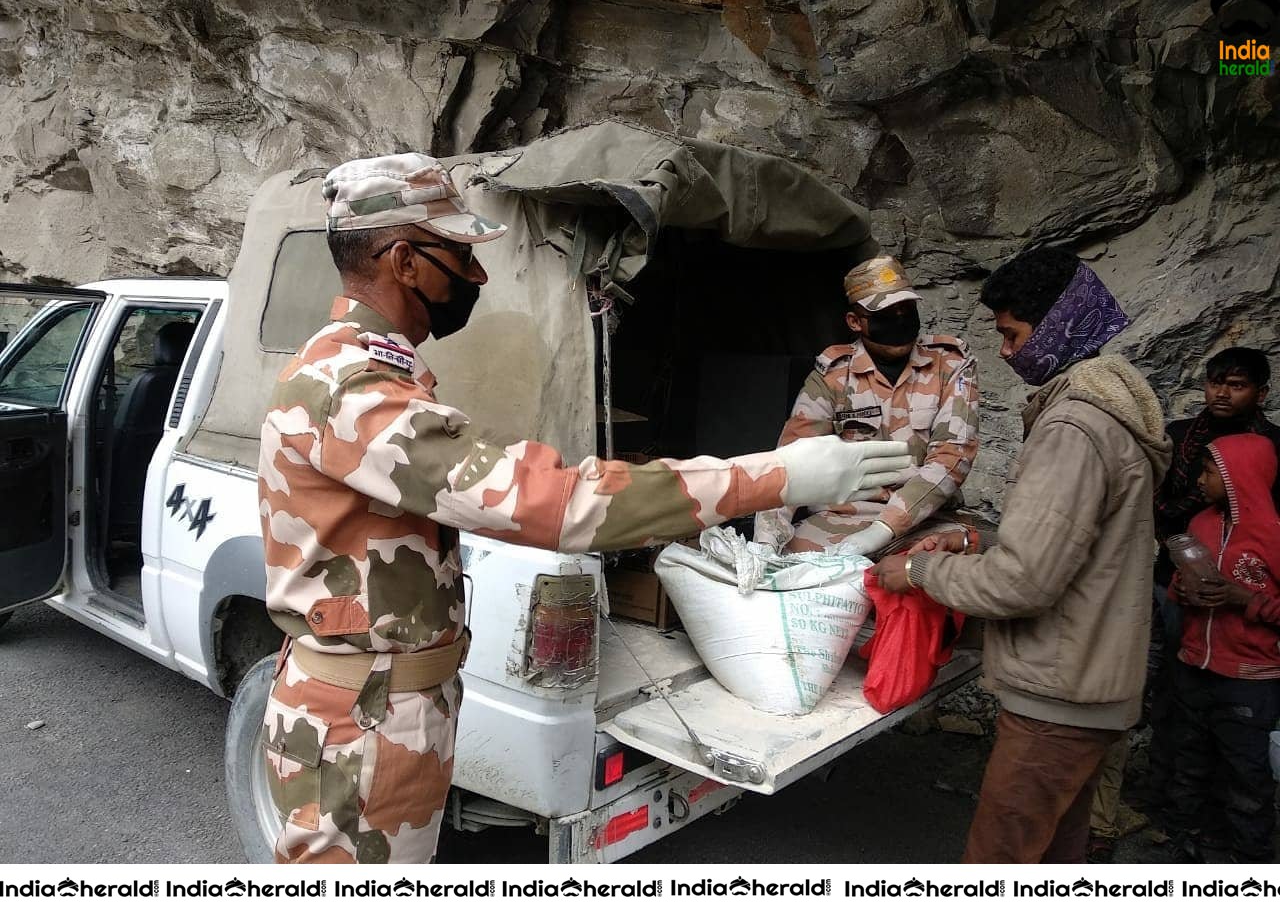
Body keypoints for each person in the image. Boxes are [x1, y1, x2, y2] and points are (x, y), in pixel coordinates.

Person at [256, 152, 914, 864]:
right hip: (362, 725)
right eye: (461, 257)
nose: (477, 278)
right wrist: (777, 476)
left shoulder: (374, 367)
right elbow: (557, 503)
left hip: (389, 710)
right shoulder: (351, 389)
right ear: (404, 261)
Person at [870, 246, 1172, 863]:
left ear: (1060, 320)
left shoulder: (1073, 428)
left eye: (1013, 334)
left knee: (1000, 862)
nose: (1006, 352)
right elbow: (1077, 547)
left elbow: (1025, 582)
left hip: (1057, 696)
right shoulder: (1116, 411)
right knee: (1057, 855)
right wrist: (974, 541)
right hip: (1092, 683)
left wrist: (920, 569)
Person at [753, 255, 979, 559]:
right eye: (885, 312)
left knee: (947, 566)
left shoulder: (950, 365)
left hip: (925, 518)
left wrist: (881, 531)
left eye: (906, 309)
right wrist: (766, 540)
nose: (899, 319)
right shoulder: (833, 375)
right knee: (789, 571)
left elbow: (953, 455)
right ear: (855, 322)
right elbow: (791, 462)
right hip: (840, 520)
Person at [1134, 347, 1279, 816]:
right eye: (1215, 382)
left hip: (1248, 592)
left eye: (1236, 384)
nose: (1221, 392)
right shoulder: (1182, 438)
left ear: (1262, 392)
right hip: (1175, 581)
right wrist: (1184, 566)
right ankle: (1170, 802)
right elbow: (1154, 504)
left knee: (1238, 710)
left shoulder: (1274, 447)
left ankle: (1227, 814)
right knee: (1177, 694)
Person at [1164, 433, 1280, 863]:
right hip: (1194, 665)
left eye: (1211, 472)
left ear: (1239, 477)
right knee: (1191, 763)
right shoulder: (1201, 526)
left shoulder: (1272, 535)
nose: (1200, 480)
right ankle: (1193, 851)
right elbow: (1179, 588)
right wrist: (1184, 589)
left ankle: (1249, 866)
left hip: (1249, 679)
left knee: (1246, 777)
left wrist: (1245, 600)